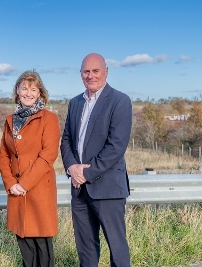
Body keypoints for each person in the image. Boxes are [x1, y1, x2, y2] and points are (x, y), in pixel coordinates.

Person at [60, 53, 132, 267]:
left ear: (106, 72)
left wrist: (86, 173)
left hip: (107, 188)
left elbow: (116, 145)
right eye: (86, 71)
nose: (90, 76)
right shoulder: (75, 103)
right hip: (79, 189)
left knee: (117, 248)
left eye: (95, 71)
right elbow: (66, 139)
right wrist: (72, 167)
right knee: (86, 250)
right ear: (81, 74)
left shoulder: (120, 101)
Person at [0, 71, 60, 267]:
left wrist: (24, 184)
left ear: (40, 93)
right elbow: (3, 154)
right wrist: (11, 184)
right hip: (17, 192)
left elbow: (48, 155)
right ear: (17, 91)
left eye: (33, 89)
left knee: (42, 247)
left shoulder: (49, 119)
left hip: (38, 190)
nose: (28, 93)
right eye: (24, 88)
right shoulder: (10, 120)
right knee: (24, 244)